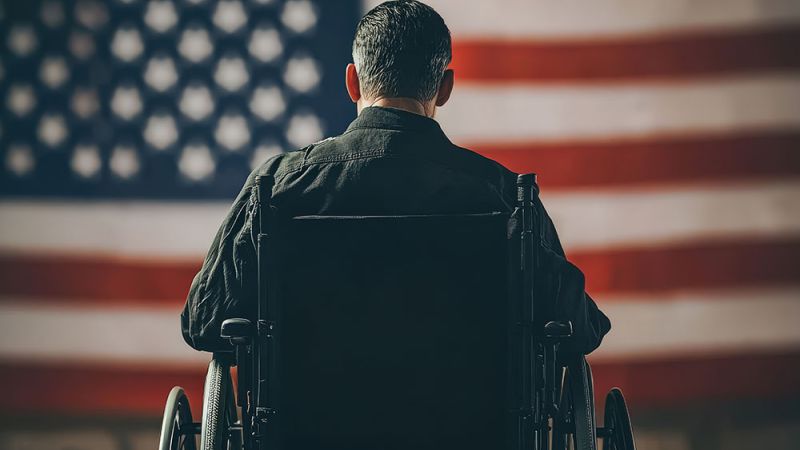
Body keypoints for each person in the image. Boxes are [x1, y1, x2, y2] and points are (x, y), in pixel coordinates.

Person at [181, 0, 610, 354]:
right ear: (445, 87)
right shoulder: (504, 196)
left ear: (352, 82)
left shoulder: (278, 187)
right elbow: (579, 331)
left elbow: (205, 321)